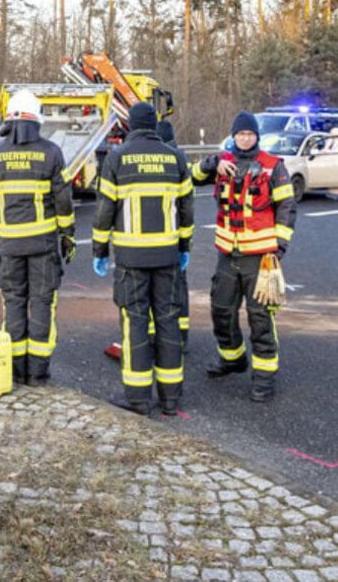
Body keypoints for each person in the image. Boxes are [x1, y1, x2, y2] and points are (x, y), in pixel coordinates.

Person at [92, 102, 194, 416]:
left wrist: (99, 250)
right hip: (167, 257)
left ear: (131, 125)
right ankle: (171, 399)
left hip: (131, 259)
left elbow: (105, 209)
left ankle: (138, 399)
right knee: (167, 322)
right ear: (154, 124)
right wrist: (184, 246)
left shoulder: (117, 158)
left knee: (135, 324)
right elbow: (187, 207)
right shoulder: (175, 157)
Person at [191, 110, 297, 402]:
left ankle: (264, 378)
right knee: (221, 311)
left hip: (260, 258)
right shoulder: (222, 163)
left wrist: (278, 248)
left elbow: (287, 207)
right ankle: (232, 359)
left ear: (256, 137)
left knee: (260, 318)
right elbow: (192, 176)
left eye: (250, 134)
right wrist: (214, 162)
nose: (245, 138)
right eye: (240, 134)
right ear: (234, 136)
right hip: (227, 255)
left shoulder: (273, 167)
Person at [0, 89, 75, 387]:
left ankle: (15, 370)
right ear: (36, 119)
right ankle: (37, 373)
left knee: (13, 304)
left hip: (9, 247)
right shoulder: (50, 152)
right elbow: (63, 201)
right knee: (41, 303)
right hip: (43, 247)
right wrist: (68, 236)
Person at [156, 120, 191, 350]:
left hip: (164, 235)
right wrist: (185, 243)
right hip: (179, 234)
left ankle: (161, 337)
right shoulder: (179, 158)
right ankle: (181, 334)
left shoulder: (167, 160)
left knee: (162, 291)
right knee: (179, 287)